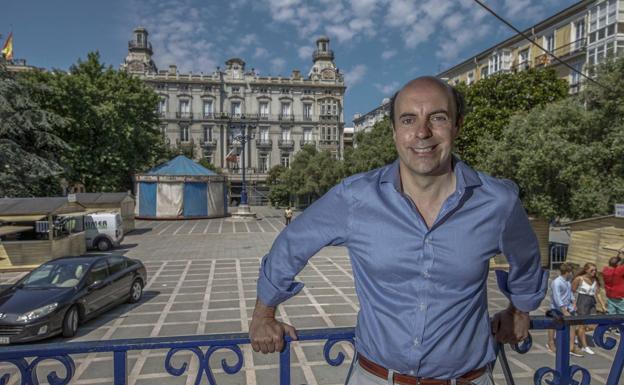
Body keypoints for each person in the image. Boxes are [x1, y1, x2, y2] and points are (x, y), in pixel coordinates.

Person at [249, 76, 547, 385]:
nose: (422, 132)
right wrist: (264, 314)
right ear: (394, 132)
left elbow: (527, 259)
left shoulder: (497, 201)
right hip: (376, 377)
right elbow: (291, 244)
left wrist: (520, 310)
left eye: (438, 118)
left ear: (457, 125)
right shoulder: (355, 197)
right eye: (408, 120)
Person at [546, 263, 584, 357]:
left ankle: (571, 346)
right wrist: (563, 310)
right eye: (571, 272)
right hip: (557, 308)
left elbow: (570, 292)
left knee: (572, 325)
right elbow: (557, 297)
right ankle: (551, 343)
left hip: (568, 306)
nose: (572, 274)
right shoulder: (557, 282)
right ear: (568, 272)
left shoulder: (567, 281)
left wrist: (574, 302)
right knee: (553, 324)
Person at [571, 262, 606, 355]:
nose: (594, 272)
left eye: (595, 270)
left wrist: (602, 305)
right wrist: (573, 303)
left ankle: (575, 333)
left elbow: (597, 293)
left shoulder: (595, 280)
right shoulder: (579, 279)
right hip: (582, 301)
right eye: (592, 270)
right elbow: (572, 291)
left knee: (592, 325)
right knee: (583, 325)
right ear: (586, 270)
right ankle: (584, 346)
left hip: (591, 302)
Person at [602, 253, 624, 323]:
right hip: (620, 297)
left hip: (610, 296)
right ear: (618, 264)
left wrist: (618, 255)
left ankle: (612, 327)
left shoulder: (605, 270)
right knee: (621, 314)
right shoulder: (618, 271)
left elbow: (614, 263)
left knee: (612, 314)